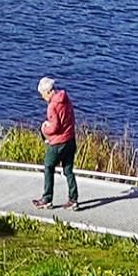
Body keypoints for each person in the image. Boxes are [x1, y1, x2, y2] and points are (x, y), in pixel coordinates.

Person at [35, 74, 80, 209]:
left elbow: (54, 127)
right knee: (68, 170)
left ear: (48, 92)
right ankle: (73, 199)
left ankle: (47, 198)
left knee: (48, 167)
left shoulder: (52, 106)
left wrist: (44, 128)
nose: (42, 97)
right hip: (70, 140)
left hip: (58, 142)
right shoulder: (66, 100)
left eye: (42, 94)